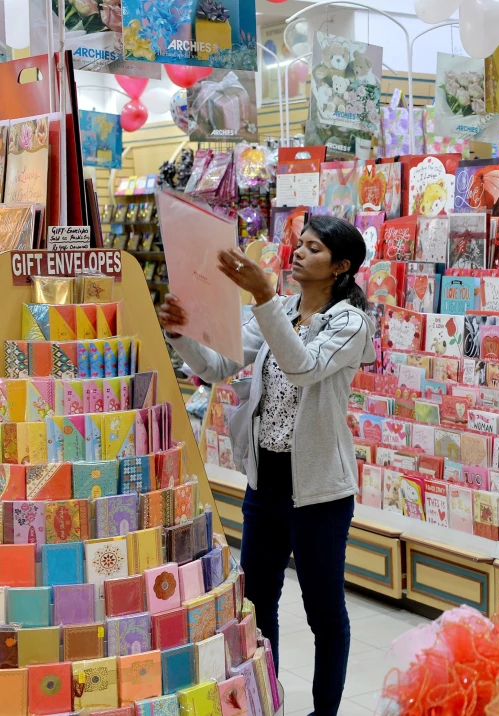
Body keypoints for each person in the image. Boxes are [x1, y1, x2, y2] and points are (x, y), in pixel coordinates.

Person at [158, 215, 375, 716]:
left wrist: (262, 297)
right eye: (300, 244)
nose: (299, 252)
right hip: (265, 485)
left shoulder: (349, 323)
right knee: (257, 602)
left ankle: (324, 712)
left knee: (324, 612)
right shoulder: (278, 310)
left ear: (340, 267)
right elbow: (217, 367)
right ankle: (266, 699)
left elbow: (301, 367)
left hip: (319, 495)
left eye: (315, 248)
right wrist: (180, 333)